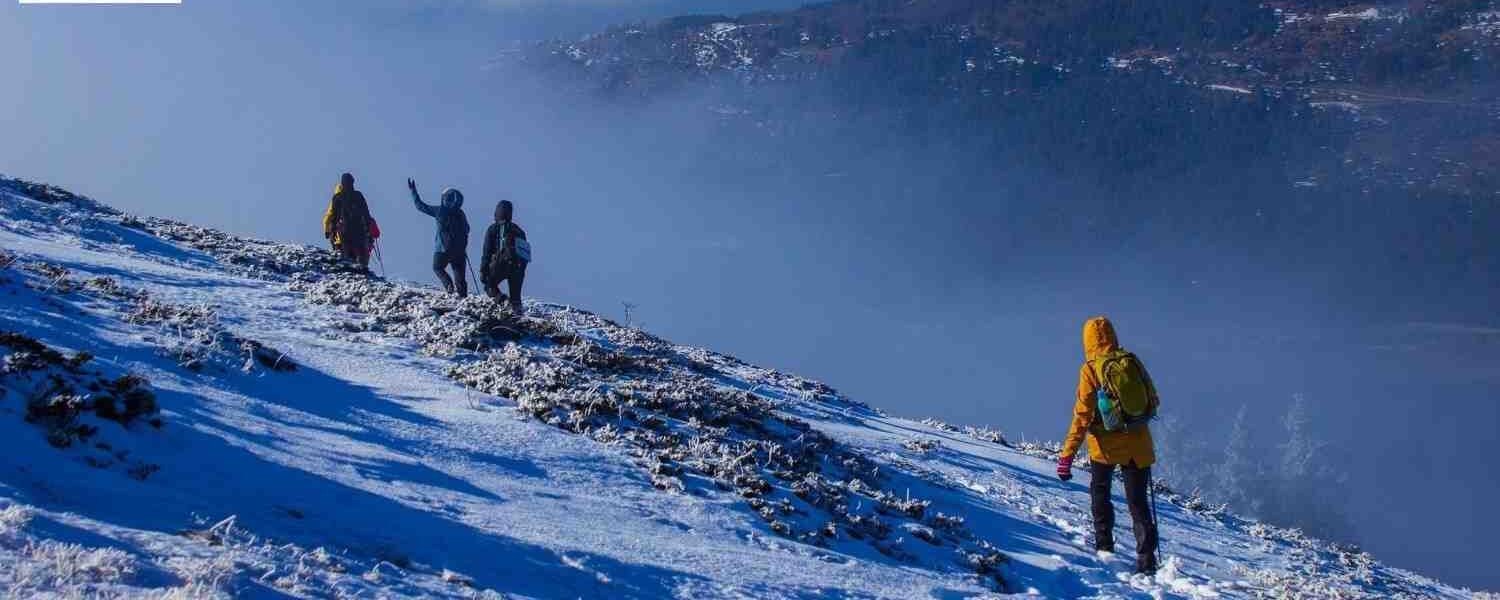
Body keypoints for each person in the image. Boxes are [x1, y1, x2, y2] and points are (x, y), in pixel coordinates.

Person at [1056, 316, 1161, 575]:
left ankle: (1105, 547)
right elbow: (1154, 400)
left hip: (1104, 447)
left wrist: (1067, 455)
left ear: (1087, 340)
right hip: (1138, 444)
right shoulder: (1131, 361)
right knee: (1138, 504)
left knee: (1100, 493)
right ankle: (1146, 560)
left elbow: (1082, 414)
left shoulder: (1090, 369)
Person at [408, 178, 469, 297]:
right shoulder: (461, 214)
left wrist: (413, 191)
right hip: (460, 251)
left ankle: (448, 285)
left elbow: (420, 206)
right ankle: (463, 297)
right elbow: (467, 229)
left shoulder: (440, 211)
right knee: (459, 274)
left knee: (437, 267)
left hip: (442, 248)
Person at [480, 199, 528, 314]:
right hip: (518, 267)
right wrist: (521, 269)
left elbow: (486, 252)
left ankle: (503, 302)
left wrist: (483, 270)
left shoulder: (493, 228)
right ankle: (517, 314)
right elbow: (525, 254)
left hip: (500, 264)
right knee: (515, 296)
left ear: (497, 212)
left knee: (489, 285)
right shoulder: (519, 230)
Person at [323, 173, 376, 269]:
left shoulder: (337, 197)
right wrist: (368, 230)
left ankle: (350, 272)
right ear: (353, 182)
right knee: (360, 254)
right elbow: (366, 213)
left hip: (344, 230)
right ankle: (362, 272)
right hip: (358, 229)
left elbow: (334, 216)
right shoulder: (358, 195)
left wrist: (332, 231)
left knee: (347, 255)